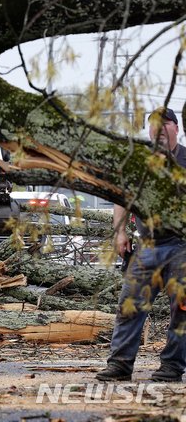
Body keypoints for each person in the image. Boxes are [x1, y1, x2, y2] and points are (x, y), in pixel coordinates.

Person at [97, 107, 186, 382]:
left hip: (182, 246)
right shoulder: (139, 162)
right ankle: (120, 365)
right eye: (153, 126)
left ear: (176, 128)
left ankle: (172, 367)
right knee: (129, 306)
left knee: (182, 309)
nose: (158, 131)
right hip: (147, 245)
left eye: (165, 125)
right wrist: (120, 232)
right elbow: (122, 197)